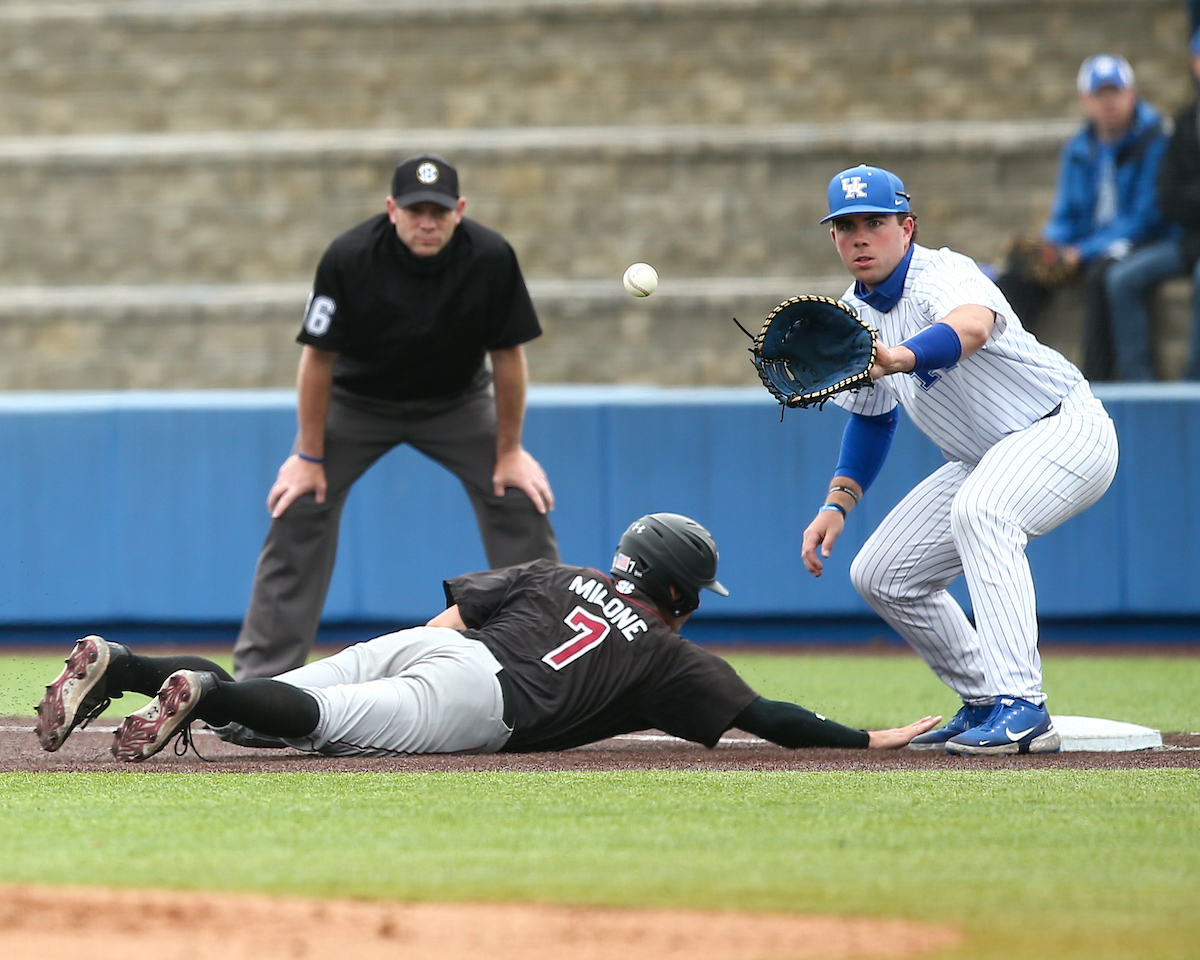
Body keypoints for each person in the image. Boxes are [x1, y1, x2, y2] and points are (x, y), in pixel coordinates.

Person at [34, 513, 939, 762]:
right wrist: (866, 737)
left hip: (435, 648)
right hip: (479, 699)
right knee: (306, 716)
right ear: (675, 590)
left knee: (283, 705)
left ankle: (131, 669)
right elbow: (770, 716)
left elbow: (452, 619)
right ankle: (214, 696)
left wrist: (406, 661)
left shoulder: (556, 571)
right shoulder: (667, 651)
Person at [801, 165, 1119, 756]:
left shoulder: (943, 271)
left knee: (982, 510)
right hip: (985, 457)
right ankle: (984, 699)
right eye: (847, 227)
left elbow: (970, 326)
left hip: (1064, 428)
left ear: (907, 226)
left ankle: (1024, 707)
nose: (861, 237)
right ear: (833, 238)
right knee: (882, 574)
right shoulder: (852, 316)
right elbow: (872, 416)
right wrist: (837, 503)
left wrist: (897, 356)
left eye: (876, 222)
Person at [234, 153, 559, 681]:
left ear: (460, 210)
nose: (427, 222)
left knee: (520, 496)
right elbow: (317, 358)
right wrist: (309, 456)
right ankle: (261, 682)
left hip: (457, 402)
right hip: (359, 403)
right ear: (391, 209)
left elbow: (508, 358)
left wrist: (509, 451)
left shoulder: (492, 257)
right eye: (415, 211)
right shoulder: (349, 256)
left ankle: (546, 664)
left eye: (439, 211)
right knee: (298, 503)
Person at [995, 53, 1171, 380]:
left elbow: (1147, 217)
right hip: (1088, 243)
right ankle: (1011, 370)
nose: (1109, 102)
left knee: (1101, 275)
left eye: (1114, 92)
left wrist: (1082, 252)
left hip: (1141, 240)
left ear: (1131, 94)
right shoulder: (1079, 147)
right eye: (1099, 94)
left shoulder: (1155, 140)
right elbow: (1067, 213)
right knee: (1017, 276)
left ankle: (1097, 379)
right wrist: (1053, 247)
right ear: (1085, 101)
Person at [1105, 30, 1200, 381]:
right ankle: (1138, 384)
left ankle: (1194, 384)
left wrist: (1190, 197)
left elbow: (1180, 195)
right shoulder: (1187, 122)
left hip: (1190, 238)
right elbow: (1168, 197)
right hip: (1187, 240)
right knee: (1121, 278)